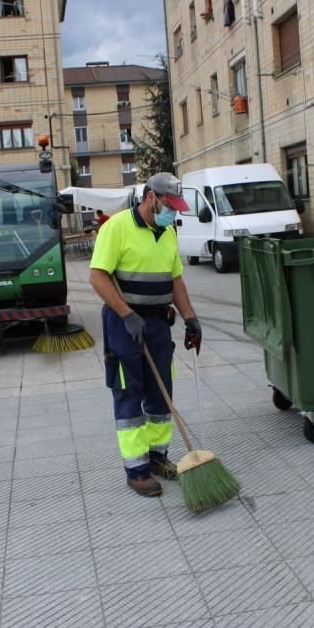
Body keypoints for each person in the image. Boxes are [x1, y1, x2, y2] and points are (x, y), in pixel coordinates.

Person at [89, 173, 202, 496]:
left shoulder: (167, 232)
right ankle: (136, 470)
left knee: (160, 393)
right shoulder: (117, 227)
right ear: (151, 197)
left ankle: (157, 457)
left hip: (157, 325)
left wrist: (190, 318)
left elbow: (175, 280)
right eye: (169, 205)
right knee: (129, 394)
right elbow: (98, 277)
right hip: (124, 324)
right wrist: (127, 314)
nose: (174, 213)